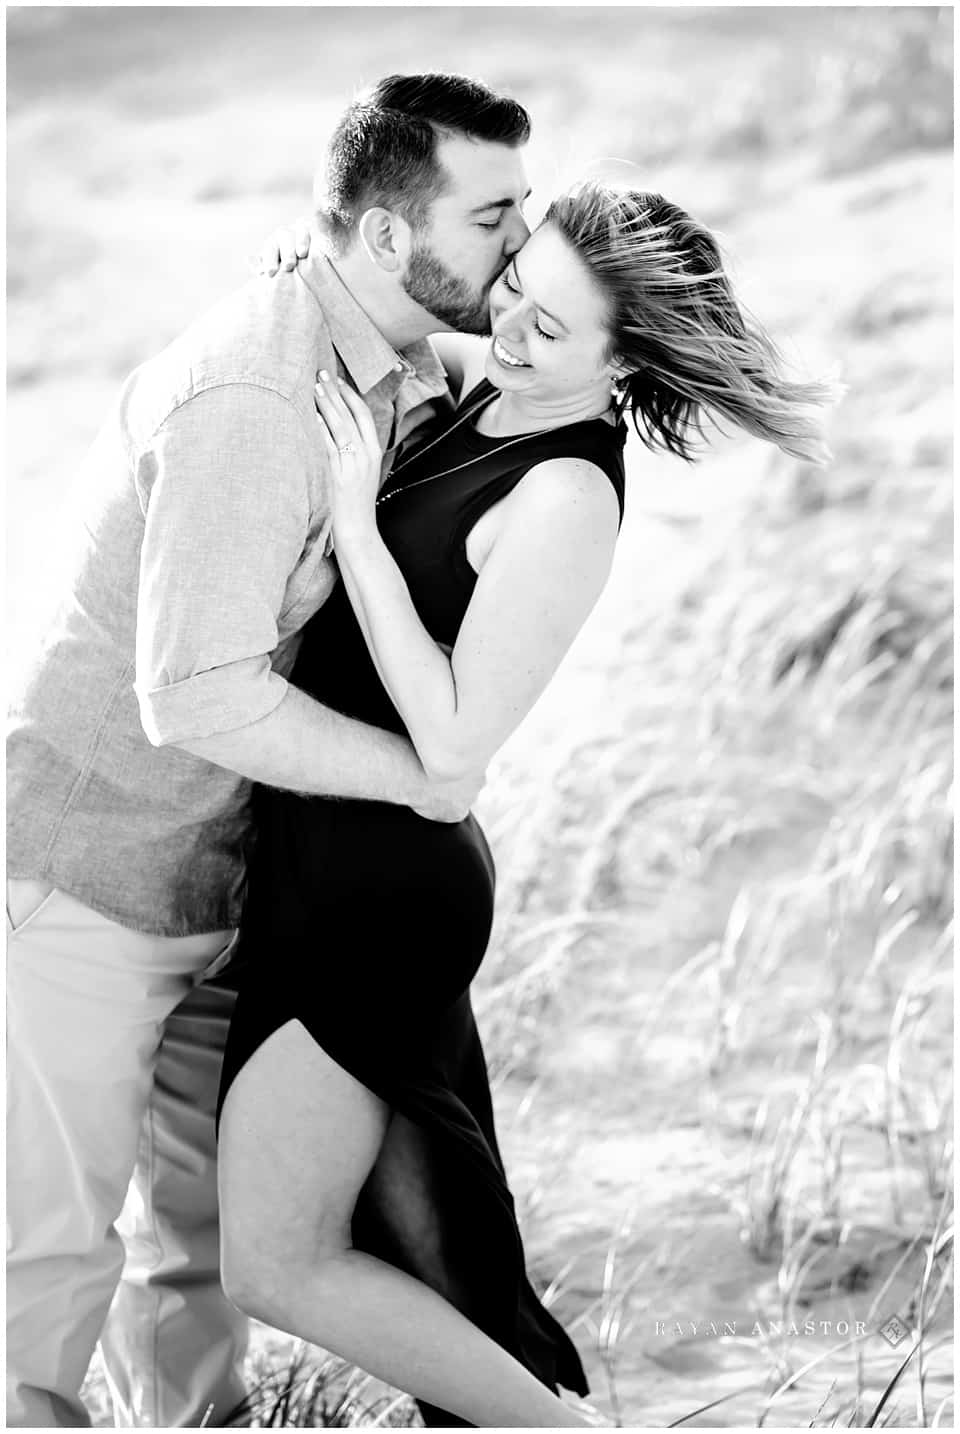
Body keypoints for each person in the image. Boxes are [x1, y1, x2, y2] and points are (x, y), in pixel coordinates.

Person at [218, 186, 837, 1427]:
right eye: (516, 287)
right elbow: (378, 319)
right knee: (440, 1244)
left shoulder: (568, 499)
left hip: (380, 893)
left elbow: (453, 742)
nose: (507, 327)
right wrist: (322, 264)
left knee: (277, 1262)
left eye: (552, 329)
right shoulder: (492, 382)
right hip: (318, 858)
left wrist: (356, 525)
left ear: (624, 366)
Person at [5, 72, 533, 1429]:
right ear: (377, 239)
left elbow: (503, 380)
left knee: (190, 1239)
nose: (517, 243)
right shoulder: (256, 396)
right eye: (492, 217)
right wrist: (422, 777)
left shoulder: (389, 348)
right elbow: (194, 693)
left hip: (216, 880)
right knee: (48, 1259)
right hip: (80, 872)